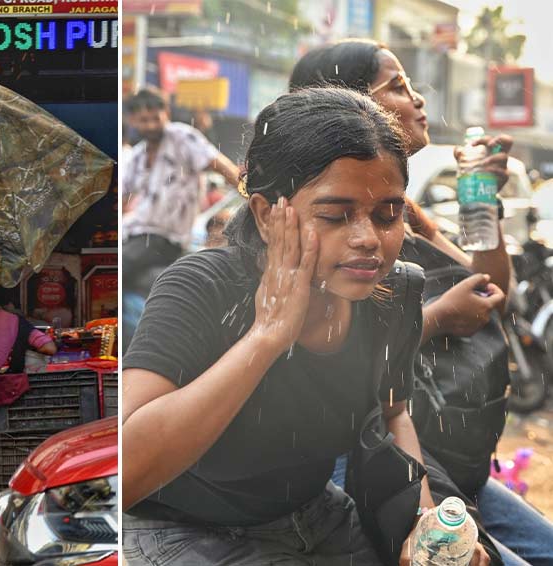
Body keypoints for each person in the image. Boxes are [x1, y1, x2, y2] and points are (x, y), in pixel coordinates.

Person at [122, 87, 489, 565]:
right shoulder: (202, 286)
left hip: (316, 515)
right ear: (266, 214)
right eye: (336, 215)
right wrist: (268, 335)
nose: (368, 240)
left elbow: (394, 413)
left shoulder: (394, 295)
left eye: (388, 214)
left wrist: (424, 524)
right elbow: (125, 468)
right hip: (184, 529)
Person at [289, 38, 553, 566]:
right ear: (350, 106)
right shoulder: (312, 213)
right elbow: (319, 349)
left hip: (435, 440)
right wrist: (438, 318)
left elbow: (486, 288)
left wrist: (480, 200)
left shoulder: (401, 207)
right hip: (362, 451)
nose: (418, 99)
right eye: (398, 87)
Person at [121, 87, 241, 300]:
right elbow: (122, 198)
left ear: (165, 112)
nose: (150, 125)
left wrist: (247, 192)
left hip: (165, 238)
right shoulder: (137, 155)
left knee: (122, 266)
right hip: (135, 235)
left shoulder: (181, 136)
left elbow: (221, 165)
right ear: (132, 120)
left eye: (154, 118)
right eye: (143, 120)